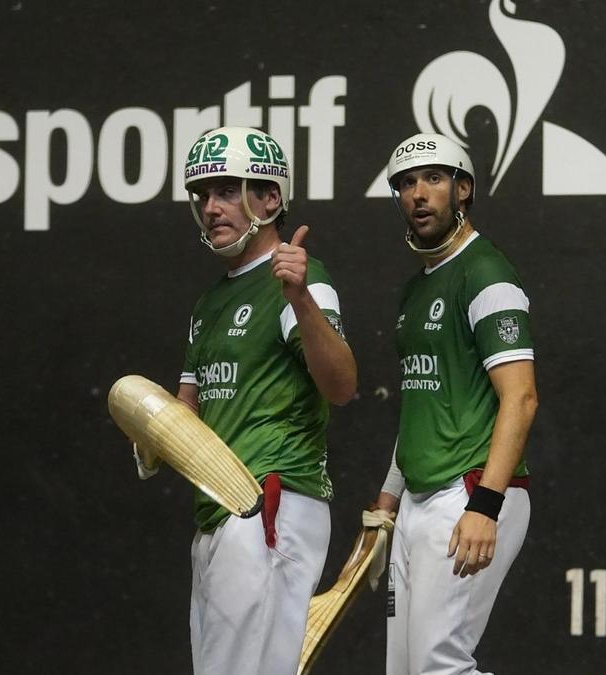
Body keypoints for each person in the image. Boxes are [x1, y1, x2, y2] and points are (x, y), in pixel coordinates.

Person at [148, 125, 357, 675]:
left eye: (227, 191)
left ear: (270, 198)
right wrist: (150, 432)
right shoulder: (209, 303)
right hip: (217, 512)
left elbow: (342, 386)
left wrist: (300, 300)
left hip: (270, 501)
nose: (211, 207)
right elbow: (188, 407)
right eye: (203, 195)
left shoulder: (302, 281)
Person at [372, 133, 538, 675]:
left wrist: (485, 506)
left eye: (433, 179)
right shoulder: (415, 289)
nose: (418, 194)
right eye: (406, 184)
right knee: (405, 669)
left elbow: (521, 397)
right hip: (417, 502)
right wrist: (388, 501)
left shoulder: (486, 273)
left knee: (437, 665)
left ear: (463, 189)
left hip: (471, 492)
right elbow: (424, 402)